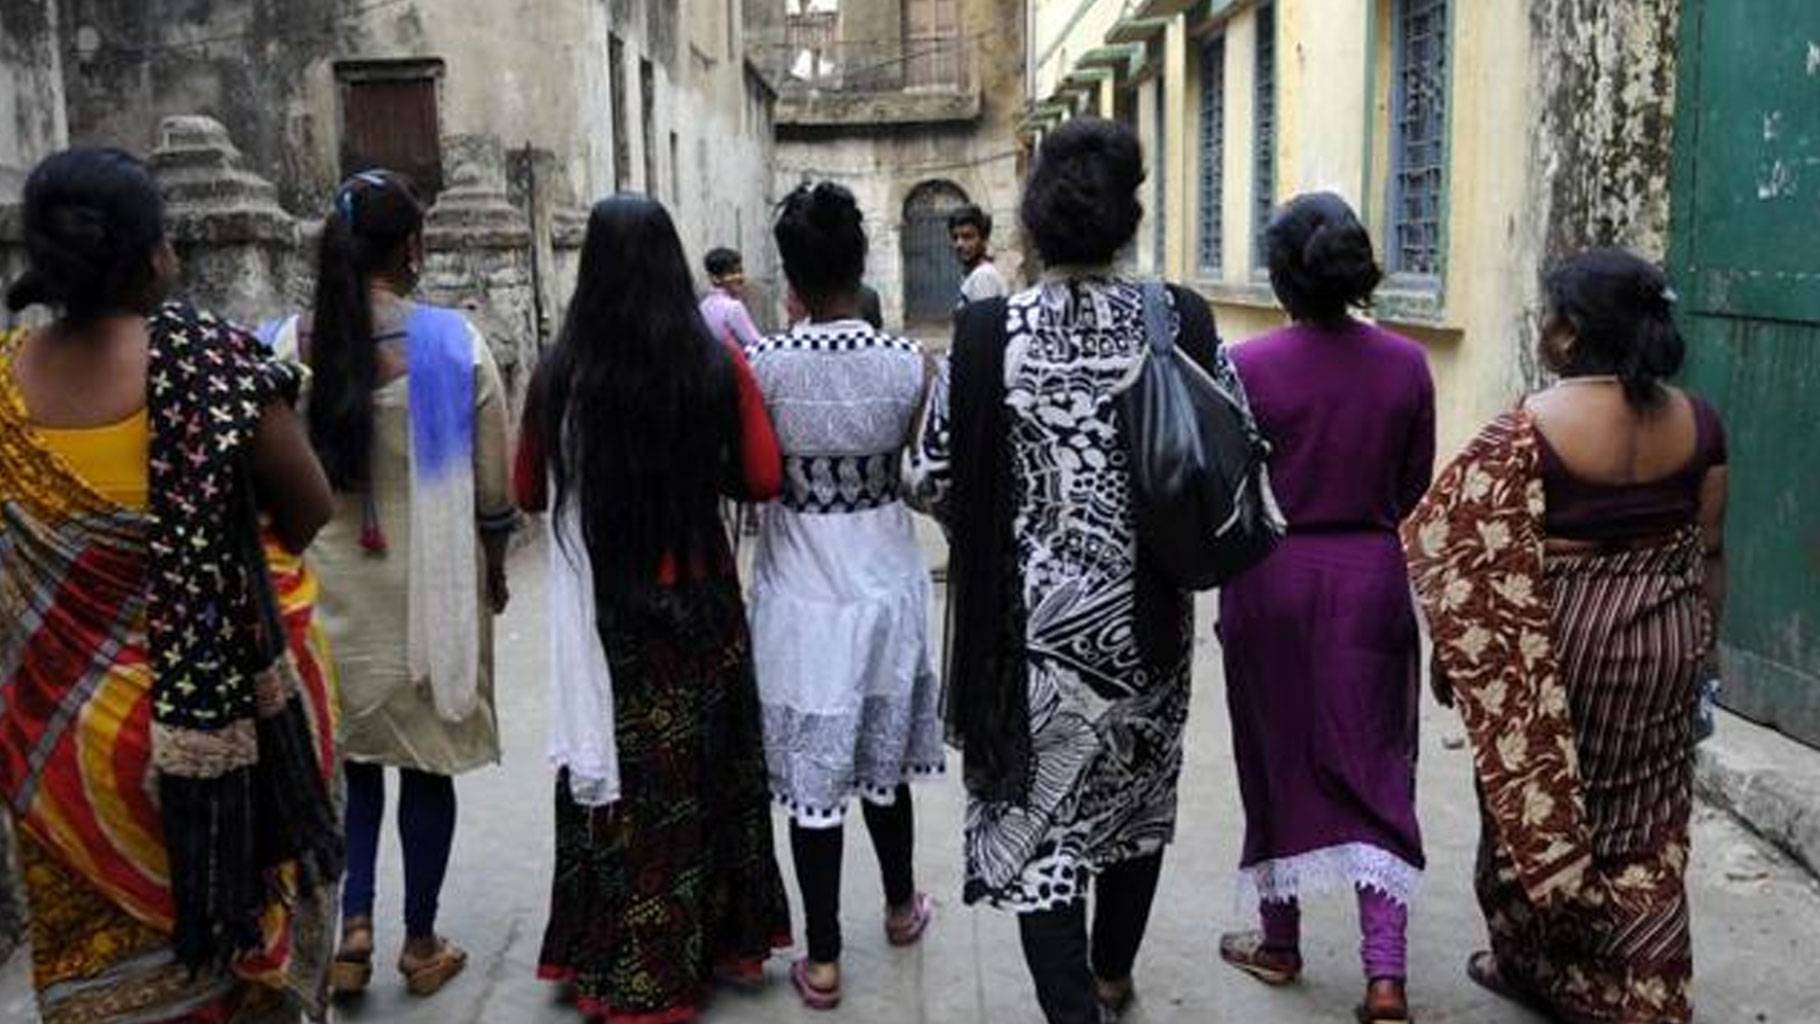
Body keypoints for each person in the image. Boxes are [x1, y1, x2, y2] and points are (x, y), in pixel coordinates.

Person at [908, 117, 1247, 1024]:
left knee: (1044, 828)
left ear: (1033, 220)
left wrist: (1016, 523)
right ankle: (1110, 975)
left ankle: (1074, 1010)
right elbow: (1235, 453)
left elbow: (929, 475)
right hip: (1150, 624)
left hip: (1029, 638)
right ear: (1129, 216)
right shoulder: (1180, 320)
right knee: (1133, 805)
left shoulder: (988, 332)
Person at [0, 148, 343, 1022]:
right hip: (219, 747)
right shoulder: (212, 368)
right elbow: (308, 511)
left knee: (97, 984)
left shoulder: (5, 383)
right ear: (154, 253)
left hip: (60, 756)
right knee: (236, 975)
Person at [1403, 248, 1727, 1024]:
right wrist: (1701, 650)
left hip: (1560, 644)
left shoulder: (1530, 425)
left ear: (1570, 332)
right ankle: (1647, 991)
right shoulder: (1700, 421)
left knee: (1541, 806)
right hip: (1666, 638)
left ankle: (1542, 970)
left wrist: (1458, 660)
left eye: (1549, 314)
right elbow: (1711, 550)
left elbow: (1458, 547)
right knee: (1647, 822)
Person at [515, 194, 793, 1023]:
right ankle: (715, 943)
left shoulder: (560, 372)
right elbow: (763, 478)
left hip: (605, 615)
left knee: (618, 777)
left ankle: (609, 953)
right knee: (702, 772)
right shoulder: (715, 364)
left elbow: (528, 489)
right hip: (698, 602)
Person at [263, 169, 516, 998]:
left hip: (323, 603)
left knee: (353, 765)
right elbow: (494, 493)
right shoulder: (455, 344)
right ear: (413, 247)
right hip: (429, 602)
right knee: (426, 762)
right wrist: (495, 569)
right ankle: (420, 940)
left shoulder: (279, 346)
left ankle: (353, 930)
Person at [1212, 192, 1432, 1024]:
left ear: (1280, 278)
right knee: (1379, 761)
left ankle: (1280, 941)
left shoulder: (1245, 367)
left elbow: (1224, 486)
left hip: (1269, 578)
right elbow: (1412, 483)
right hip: (1370, 578)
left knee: (1272, 756)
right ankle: (1386, 977)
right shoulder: (1407, 366)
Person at [744, 181, 945, 1010]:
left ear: (789, 275)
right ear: (862, 265)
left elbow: (751, 476)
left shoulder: (761, 367)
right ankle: (900, 907)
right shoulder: (910, 365)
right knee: (883, 765)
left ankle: (822, 958)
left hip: (799, 595)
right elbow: (925, 481)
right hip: (886, 584)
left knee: (813, 781)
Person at [700, 246, 764, 348]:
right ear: (715, 278)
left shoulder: (703, 306)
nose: (740, 277)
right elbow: (757, 343)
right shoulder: (733, 307)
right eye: (732, 273)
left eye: (740, 271)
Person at [949, 203, 1009, 308]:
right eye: (955, 238)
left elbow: (986, 317)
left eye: (967, 236)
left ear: (984, 239)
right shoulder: (975, 274)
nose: (959, 244)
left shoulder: (983, 276)